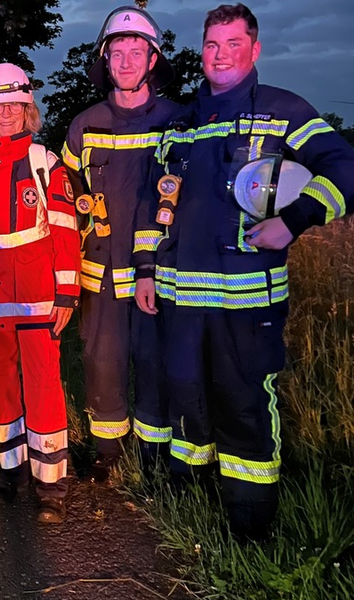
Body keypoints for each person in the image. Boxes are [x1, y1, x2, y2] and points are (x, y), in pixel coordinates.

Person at [140, 3, 354, 540]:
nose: (221, 55)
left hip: (246, 298)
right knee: (185, 394)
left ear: (254, 50)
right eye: (212, 45)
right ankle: (188, 492)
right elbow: (156, 207)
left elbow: (344, 166)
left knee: (243, 403)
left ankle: (250, 522)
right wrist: (146, 268)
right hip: (178, 298)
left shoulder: (284, 110)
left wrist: (296, 219)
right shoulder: (180, 124)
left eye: (233, 44)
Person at [0, 63, 80, 523]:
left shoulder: (46, 165)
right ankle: (12, 471)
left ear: (28, 112)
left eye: (14, 106)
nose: (5, 114)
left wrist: (67, 293)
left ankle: (51, 484)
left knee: (44, 387)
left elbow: (65, 231)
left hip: (39, 297)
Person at [62, 6, 182, 479]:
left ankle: (155, 456)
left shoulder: (176, 121)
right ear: (105, 60)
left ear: (153, 60)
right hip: (100, 271)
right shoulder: (84, 124)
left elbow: (178, 195)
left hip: (162, 268)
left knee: (156, 359)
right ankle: (108, 453)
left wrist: (154, 260)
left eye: (137, 52)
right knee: (101, 359)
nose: (127, 62)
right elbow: (71, 191)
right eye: (118, 53)